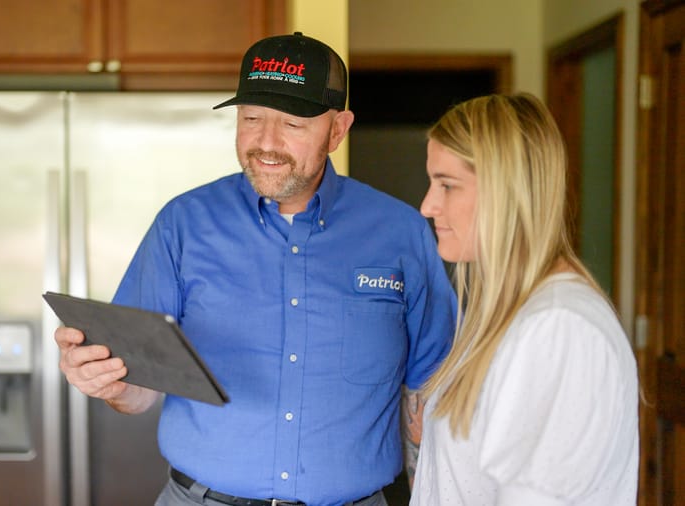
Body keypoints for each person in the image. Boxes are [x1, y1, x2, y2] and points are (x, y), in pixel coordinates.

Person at [56, 32, 456, 506]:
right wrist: (112, 381)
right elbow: (138, 389)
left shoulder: (401, 233)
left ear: (338, 129)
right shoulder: (183, 224)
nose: (266, 142)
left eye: (291, 123)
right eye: (251, 119)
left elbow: (433, 392)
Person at [410, 93, 639, 505]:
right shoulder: (504, 315)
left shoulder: (559, 329)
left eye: (447, 185)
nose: (428, 206)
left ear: (506, 190)